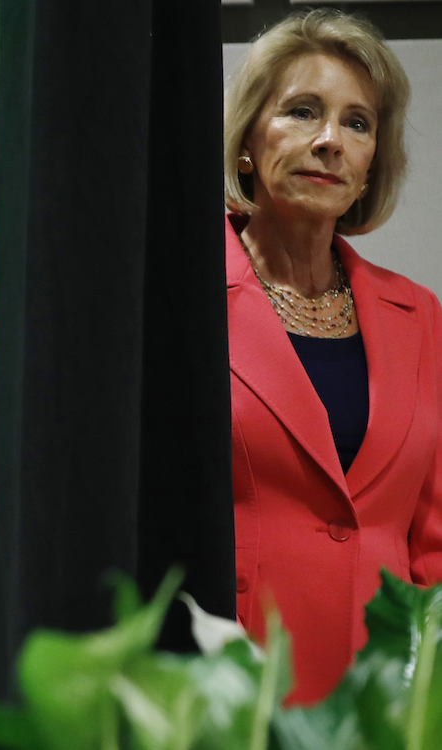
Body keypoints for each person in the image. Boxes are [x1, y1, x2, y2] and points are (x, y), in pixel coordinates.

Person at [224, 9, 442, 705]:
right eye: (302, 112)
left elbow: (434, 537)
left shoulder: (420, 315)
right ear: (247, 141)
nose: (329, 141)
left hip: (385, 697)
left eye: (357, 123)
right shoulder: (177, 302)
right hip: (237, 686)